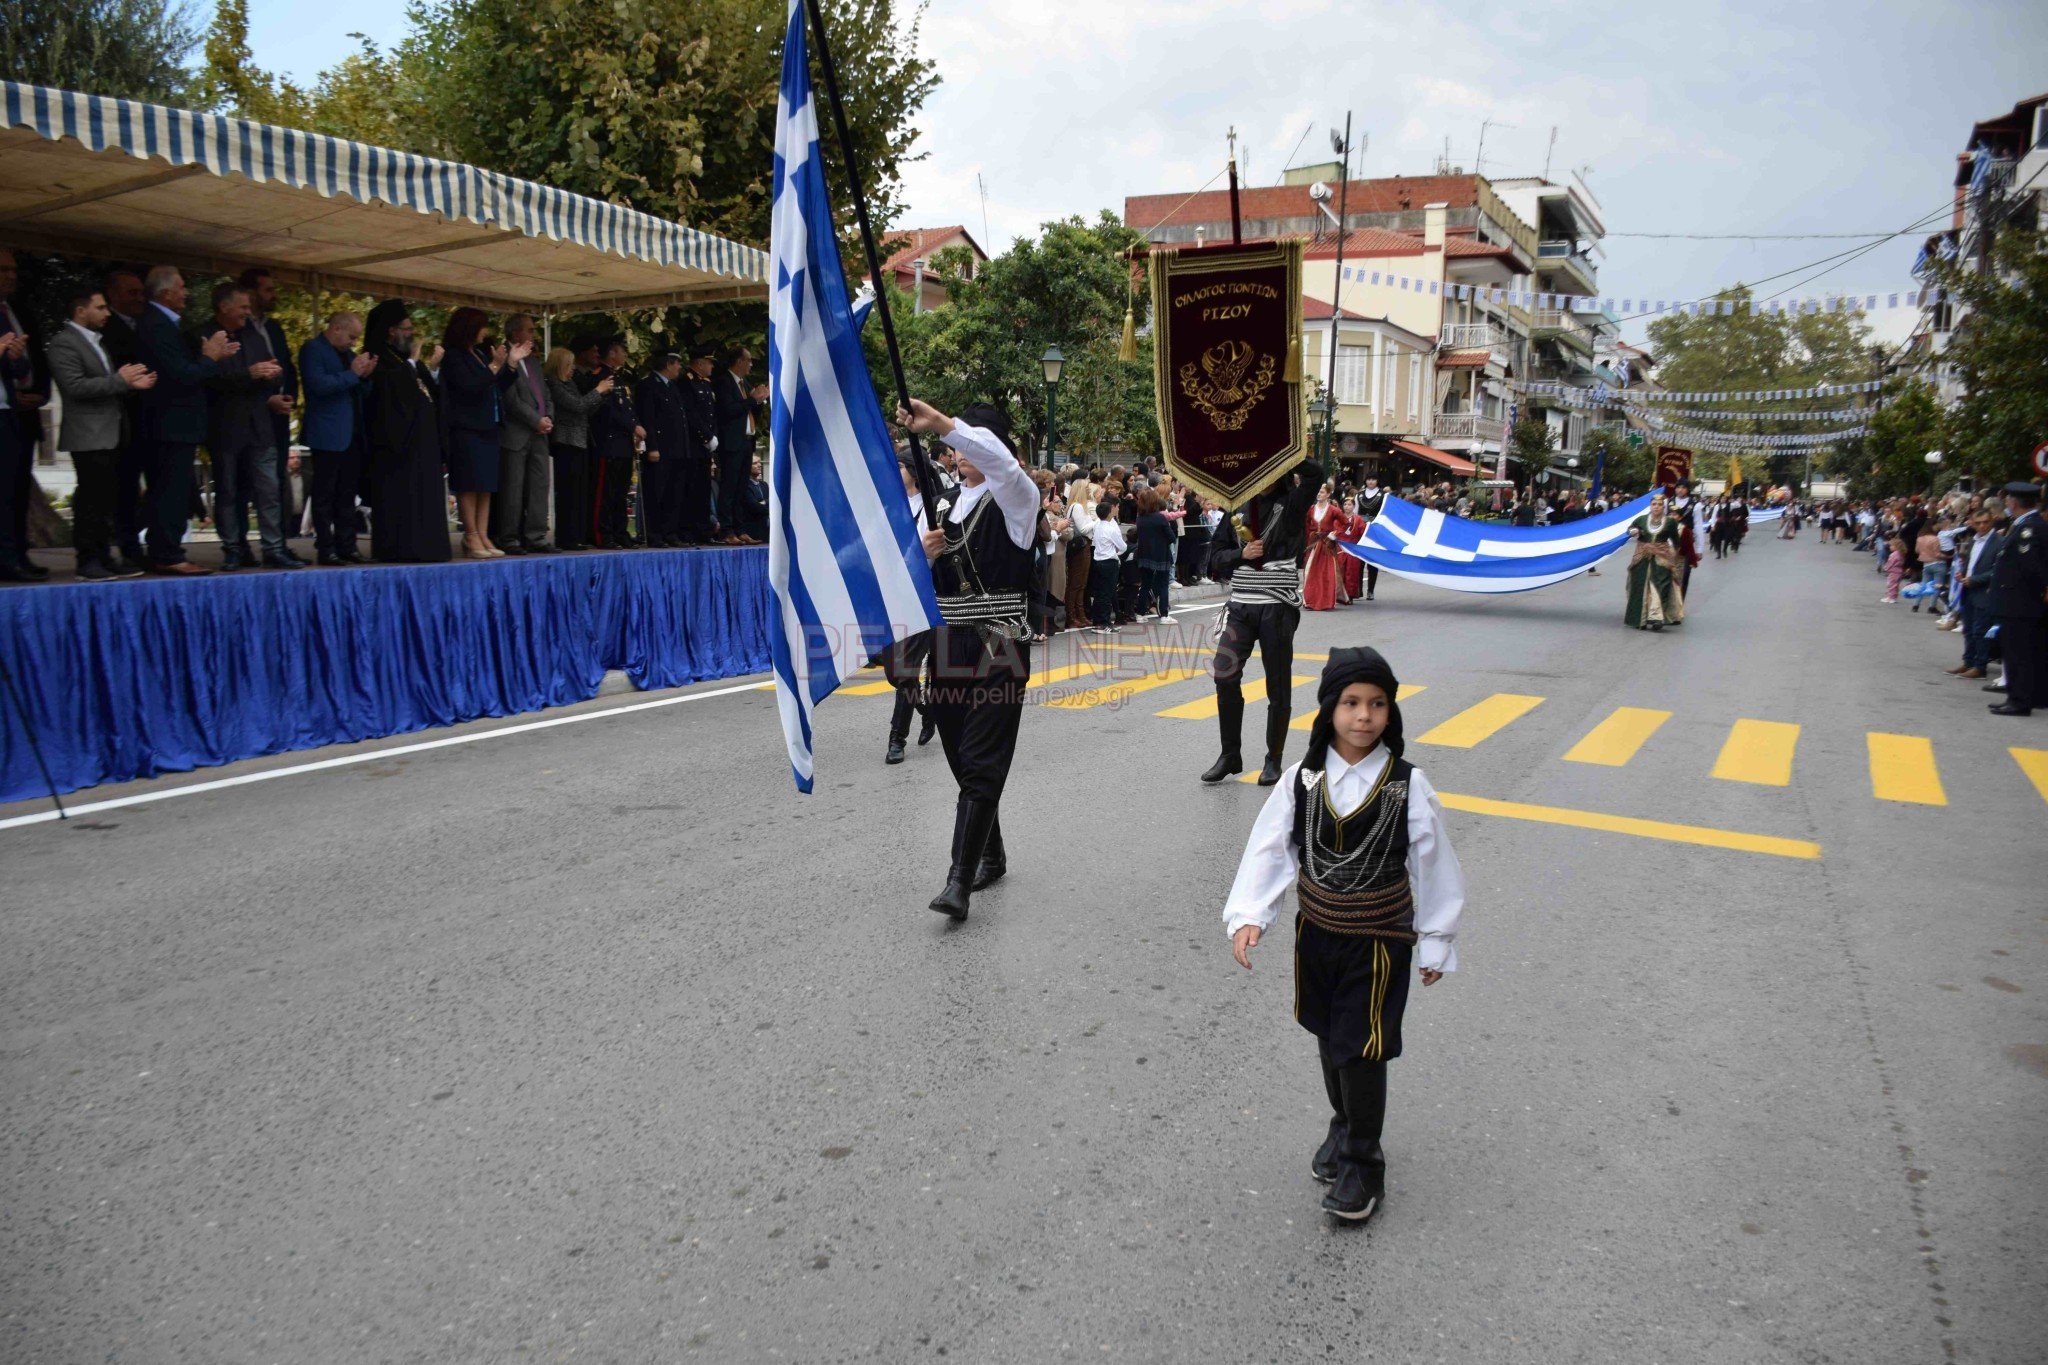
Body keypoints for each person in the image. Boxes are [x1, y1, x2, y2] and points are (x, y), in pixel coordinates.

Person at [1222, 646, 1465, 1223]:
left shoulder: (1408, 785)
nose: (1364, 716)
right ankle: (1344, 1121)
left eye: (1378, 704)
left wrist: (1436, 938)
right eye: (1352, 703)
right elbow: (1270, 849)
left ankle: (1363, 1160)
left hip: (1379, 941)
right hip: (1318, 936)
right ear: (1330, 708)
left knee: (1362, 1049)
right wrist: (1251, 913)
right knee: (1330, 1039)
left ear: (1391, 713)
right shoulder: (1302, 781)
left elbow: (1435, 867)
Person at [897, 397, 1040, 921]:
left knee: (982, 755)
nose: (960, 452)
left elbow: (1000, 464)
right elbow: (916, 579)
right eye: (956, 444)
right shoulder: (940, 506)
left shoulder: (1018, 499)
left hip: (1001, 641)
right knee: (960, 753)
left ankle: (958, 880)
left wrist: (943, 424)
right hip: (950, 643)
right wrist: (926, 557)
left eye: (974, 440)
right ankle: (993, 852)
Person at [1203, 459, 1323, 785]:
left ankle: (1274, 759)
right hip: (1241, 606)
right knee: (1224, 674)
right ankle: (1230, 754)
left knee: (1277, 684)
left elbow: (1316, 475)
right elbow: (1213, 558)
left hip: (1277, 607)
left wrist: (1287, 451)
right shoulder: (1237, 509)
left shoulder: (1292, 503)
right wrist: (1240, 555)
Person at [46, 287, 155, 579]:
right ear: (81, 311)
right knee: (91, 499)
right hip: (88, 434)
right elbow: (75, 387)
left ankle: (105, 555)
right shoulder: (63, 343)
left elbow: (109, 383)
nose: (107, 313)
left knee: (108, 497)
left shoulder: (96, 342)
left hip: (112, 431)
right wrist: (120, 380)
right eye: (101, 307)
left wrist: (132, 384)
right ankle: (88, 559)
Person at [132, 267, 234, 575]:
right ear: (164, 294)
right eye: (181, 287)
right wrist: (210, 358)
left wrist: (210, 358)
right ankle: (167, 553)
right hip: (168, 424)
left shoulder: (162, 324)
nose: (186, 292)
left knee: (172, 491)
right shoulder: (156, 325)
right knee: (170, 492)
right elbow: (182, 375)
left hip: (173, 424)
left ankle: (167, 549)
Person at [203, 283, 299, 570]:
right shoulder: (203, 336)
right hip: (226, 427)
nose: (248, 312)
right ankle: (234, 548)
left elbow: (268, 373)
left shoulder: (254, 336)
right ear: (224, 307)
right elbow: (207, 380)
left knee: (269, 490)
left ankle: (274, 548)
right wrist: (249, 374)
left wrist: (272, 379)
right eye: (243, 307)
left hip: (260, 426)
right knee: (229, 491)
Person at [361, 299, 451, 565]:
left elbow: (429, 393)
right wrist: (411, 364)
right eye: (407, 328)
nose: (411, 333)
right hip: (397, 449)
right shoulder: (378, 359)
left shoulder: (403, 360)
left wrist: (428, 368)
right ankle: (402, 549)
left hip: (423, 446)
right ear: (391, 331)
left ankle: (428, 547)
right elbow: (394, 397)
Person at [438, 307, 519, 559]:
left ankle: (483, 533)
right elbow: (469, 387)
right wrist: (494, 366)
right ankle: (470, 535)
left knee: (486, 484)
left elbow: (495, 386)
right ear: (470, 328)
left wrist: (510, 365)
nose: (486, 331)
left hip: (489, 426)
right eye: (482, 326)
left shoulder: (479, 355)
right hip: (467, 428)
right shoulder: (454, 357)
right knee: (469, 483)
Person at [298, 310, 377, 565]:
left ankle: (348, 545)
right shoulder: (313, 349)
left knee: (347, 494)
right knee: (324, 494)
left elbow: (361, 392)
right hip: (327, 433)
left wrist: (365, 377)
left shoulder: (349, 356)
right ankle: (326, 546)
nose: (354, 342)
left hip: (352, 433)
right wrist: (353, 374)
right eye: (352, 337)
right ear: (336, 329)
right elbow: (318, 385)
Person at [885, 452, 941, 766]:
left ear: (915, 472)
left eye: (900, 466)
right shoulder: (892, 505)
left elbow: (930, 555)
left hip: (922, 599)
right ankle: (927, 708)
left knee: (904, 670)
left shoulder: (933, 509)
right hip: (892, 597)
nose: (894, 471)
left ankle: (897, 740)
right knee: (896, 672)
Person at [237, 269, 300, 538]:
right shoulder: (236, 328)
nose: (273, 295)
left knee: (277, 480)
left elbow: (288, 368)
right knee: (242, 483)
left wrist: (289, 398)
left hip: (279, 416)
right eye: (268, 289)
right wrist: (266, 401)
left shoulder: (274, 328)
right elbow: (235, 374)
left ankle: (279, 543)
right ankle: (239, 546)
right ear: (250, 293)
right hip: (247, 418)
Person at [99, 267, 150, 573]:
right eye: (132, 292)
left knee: (138, 489)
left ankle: (134, 545)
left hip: (146, 419)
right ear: (113, 295)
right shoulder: (107, 331)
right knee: (119, 488)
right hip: (118, 421)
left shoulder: (145, 325)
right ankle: (119, 548)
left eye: (141, 292)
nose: (139, 298)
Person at [492, 314, 556, 555]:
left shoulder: (534, 361)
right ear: (515, 333)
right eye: (529, 330)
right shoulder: (504, 357)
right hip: (516, 433)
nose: (533, 334)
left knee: (540, 485)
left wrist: (548, 417)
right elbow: (509, 398)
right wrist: (535, 420)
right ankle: (509, 537)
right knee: (513, 488)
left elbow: (545, 393)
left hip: (540, 433)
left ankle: (536, 536)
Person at [1988, 481, 2046, 718]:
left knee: (2018, 653)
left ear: (2013, 503)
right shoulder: (2026, 525)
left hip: (2021, 602)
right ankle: (2019, 696)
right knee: (2018, 652)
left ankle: (2020, 701)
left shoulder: (2028, 529)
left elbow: (2031, 568)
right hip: (2019, 601)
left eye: (2009, 501)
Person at [542, 346, 608, 551]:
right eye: (569, 365)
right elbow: (577, 405)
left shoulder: (570, 383)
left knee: (580, 492)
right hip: (566, 441)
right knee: (568, 492)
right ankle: (567, 536)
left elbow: (586, 409)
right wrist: (598, 391)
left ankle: (578, 534)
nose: (572, 370)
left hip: (580, 440)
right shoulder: (554, 384)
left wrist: (601, 396)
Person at [585, 336, 641, 548]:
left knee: (620, 491)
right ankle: (603, 533)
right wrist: (632, 426)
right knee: (606, 492)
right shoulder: (601, 376)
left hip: (623, 444)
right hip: (608, 442)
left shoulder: (619, 378)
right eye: (622, 351)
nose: (625, 356)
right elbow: (608, 410)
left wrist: (635, 425)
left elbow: (626, 407)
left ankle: (620, 531)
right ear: (612, 353)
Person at [714, 344, 769, 545]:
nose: (751, 364)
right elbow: (728, 410)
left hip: (747, 441)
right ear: (739, 361)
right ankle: (726, 530)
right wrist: (752, 400)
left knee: (740, 489)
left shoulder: (745, 383)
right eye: (749, 360)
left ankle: (740, 528)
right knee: (728, 488)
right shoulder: (723, 383)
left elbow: (750, 412)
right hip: (732, 443)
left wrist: (760, 401)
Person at [635, 351, 690, 547]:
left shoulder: (672, 387)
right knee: (656, 493)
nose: (679, 368)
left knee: (673, 494)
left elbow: (680, 420)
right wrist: (652, 447)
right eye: (677, 364)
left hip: (677, 449)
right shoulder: (648, 385)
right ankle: (654, 533)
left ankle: (669, 532)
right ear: (668, 364)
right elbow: (648, 417)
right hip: (660, 449)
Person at [1950, 508, 2003, 681]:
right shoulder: (1973, 541)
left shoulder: (1999, 542)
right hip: (1968, 590)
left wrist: (1974, 579)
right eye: (1978, 523)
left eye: (1985, 522)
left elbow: (1998, 570)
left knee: (1980, 630)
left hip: (1984, 592)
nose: (1981, 526)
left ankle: (1980, 667)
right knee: (1968, 629)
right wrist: (1963, 574)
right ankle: (1968, 661)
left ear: (1992, 521)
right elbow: (1971, 564)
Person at [679, 346, 721, 544]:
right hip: (694, 443)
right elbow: (691, 413)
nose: (712, 366)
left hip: (706, 446)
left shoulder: (706, 384)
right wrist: (705, 436)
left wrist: (713, 436)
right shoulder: (687, 383)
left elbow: (710, 414)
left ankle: (704, 529)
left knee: (704, 489)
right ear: (699, 364)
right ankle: (690, 531)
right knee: (692, 488)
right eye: (709, 362)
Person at [1625, 492, 1686, 630]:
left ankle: (1657, 617)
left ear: (1663, 507)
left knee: (1660, 586)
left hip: (1661, 558)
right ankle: (1639, 619)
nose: (1656, 507)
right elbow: (1629, 530)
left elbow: (1676, 541)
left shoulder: (1670, 522)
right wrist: (1633, 531)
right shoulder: (1641, 520)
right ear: (1650, 506)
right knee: (1640, 587)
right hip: (1642, 557)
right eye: (1654, 504)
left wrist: (1674, 558)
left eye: (1660, 505)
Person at [1132, 486, 1175, 624]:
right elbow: (1171, 537)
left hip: (1144, 553)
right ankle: (1164, 615)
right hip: (1161, 554)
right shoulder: (1160, 518)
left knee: (1145, 584)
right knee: (1163, 584)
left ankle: (1139, 613)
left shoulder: (1140, 519)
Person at [1302, 482, 1344, 611]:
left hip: (1326, 544)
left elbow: (1345, 523)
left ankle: (1326, 601)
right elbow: (1306, 525)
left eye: (1322, 492)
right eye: (1318, 492)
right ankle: (1310, 600)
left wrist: (1335, 534)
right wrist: (1309, 536)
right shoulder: (1311, 509)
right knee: (1310, 571)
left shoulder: (1333, 510)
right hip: (1313, 543)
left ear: (1328, 494)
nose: (1319, 494)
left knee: (1326, 573)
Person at [1087, 492, 1126, 630]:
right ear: (1110, 512)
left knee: (1099, 593)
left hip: (1098, 561)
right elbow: (1123, 546)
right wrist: (1115, 553)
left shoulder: (1097, 525)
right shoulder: (1111, 529)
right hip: (1109, 562)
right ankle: (1104, 623)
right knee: (1107, 593)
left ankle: (1098, 621)